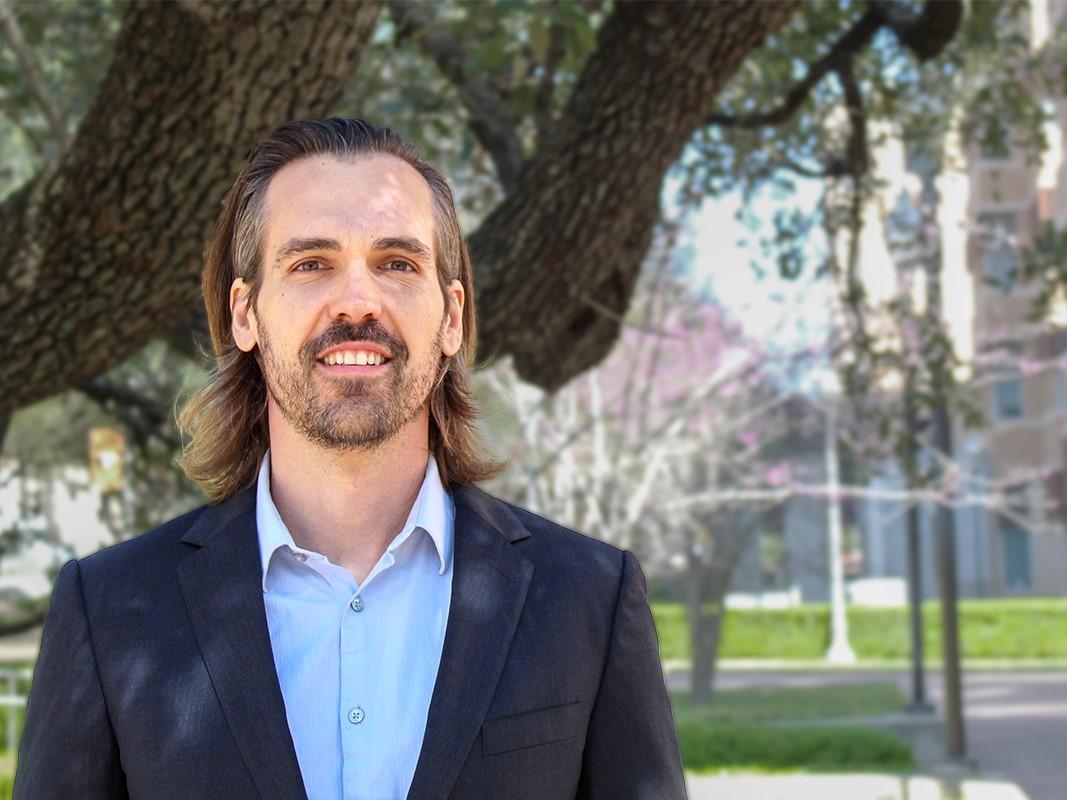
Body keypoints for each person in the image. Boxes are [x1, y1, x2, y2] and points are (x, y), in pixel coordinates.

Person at [14, 118, 686, 800]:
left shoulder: (588, 598)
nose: (358, 302)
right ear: (245, 314)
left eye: (397, 264)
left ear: (452, 317)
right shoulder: (109, 610)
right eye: (311, 264)